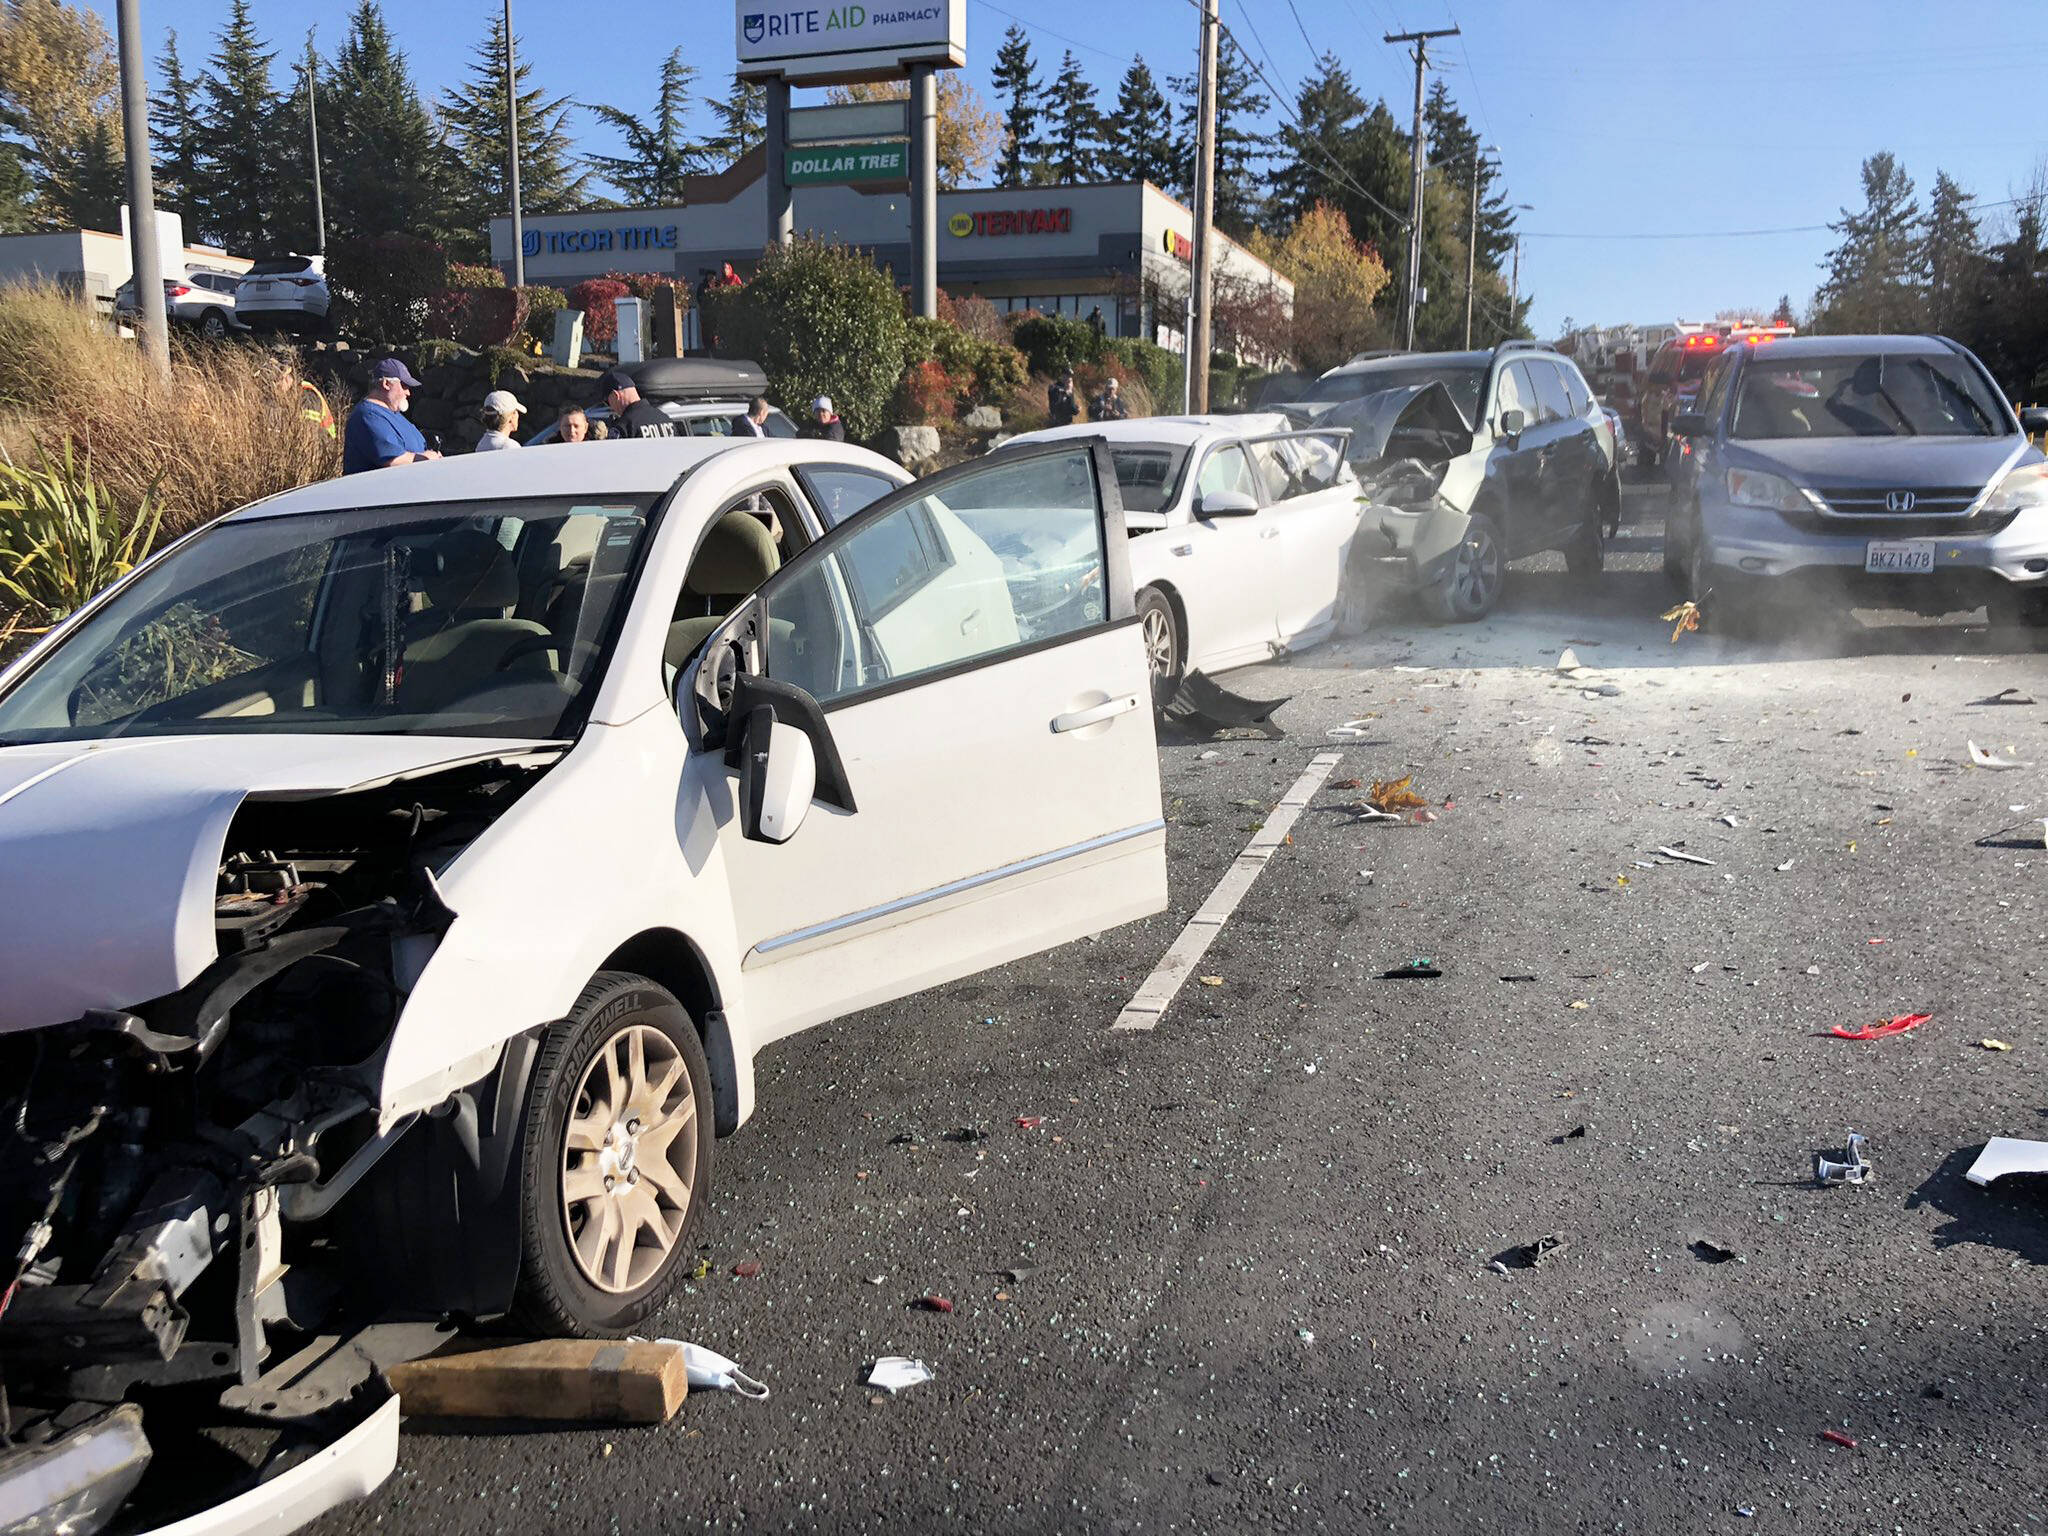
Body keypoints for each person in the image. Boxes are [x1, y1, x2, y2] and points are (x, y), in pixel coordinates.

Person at [343, 358, 440, 474]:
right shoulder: (368, 416)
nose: (408, 392)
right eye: (404, 385)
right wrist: (428, 458)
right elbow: (393, 460)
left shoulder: (392, 414)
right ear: (386, 384)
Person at [593, 367, 675, 440]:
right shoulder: (665, 419)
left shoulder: (623, 427)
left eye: (607, 402)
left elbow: (615, 455)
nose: (610, 407)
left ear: (615, 395)